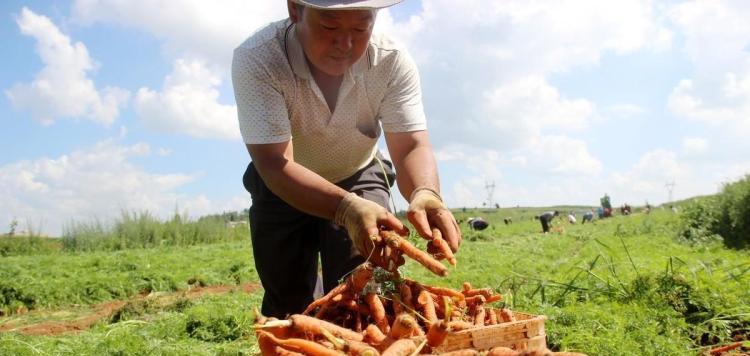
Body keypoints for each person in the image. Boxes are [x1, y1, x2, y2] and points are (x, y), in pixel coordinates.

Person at [231, 0, 462, 318]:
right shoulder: (259, 57)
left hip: (358, 172)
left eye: (360, 28)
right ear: (295, 9)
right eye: (329, 26)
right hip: (283, 181)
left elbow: (410, 145)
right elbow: (273, 162)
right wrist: (343, 207)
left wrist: (425, 192)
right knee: (289, 305)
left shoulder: (391, 61)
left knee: (368, 295)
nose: (345, 44)